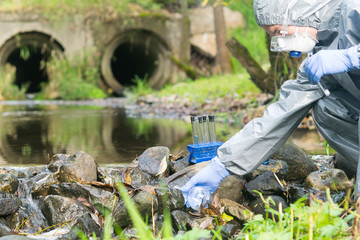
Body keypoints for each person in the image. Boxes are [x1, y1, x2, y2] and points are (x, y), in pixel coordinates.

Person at [181, 0, 360, 209]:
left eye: (278, 32)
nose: (281, 42)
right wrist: (223, 165)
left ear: (298, 12)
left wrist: (352, 57)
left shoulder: (353, 9)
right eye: (273, 37)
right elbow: (279, 115)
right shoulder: (318, 56)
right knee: (326, 109)